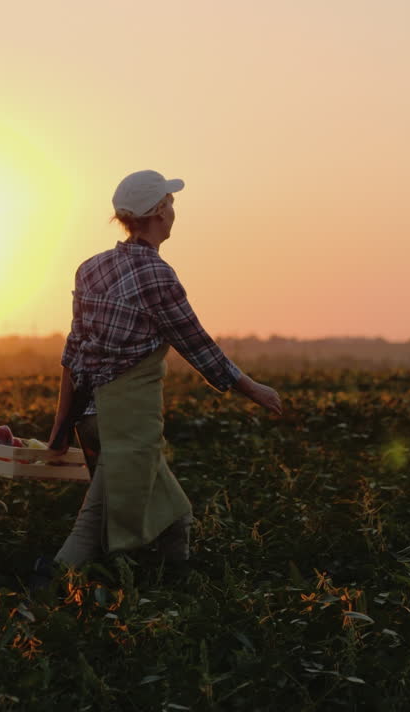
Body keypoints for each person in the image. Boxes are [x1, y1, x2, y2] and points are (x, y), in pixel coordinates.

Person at [42, 169, 283, 573]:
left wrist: (61, 424)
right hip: (127, 423)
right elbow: (197, 345)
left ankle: (178, 582)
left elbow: (73, 353)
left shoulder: (91, 268)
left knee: (175, 512)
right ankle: (41, 599)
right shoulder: (156, 275)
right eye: (170, 204)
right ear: (158, 212)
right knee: (89, 528)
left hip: (91, 417)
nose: (174, 211)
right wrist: (253, 388)